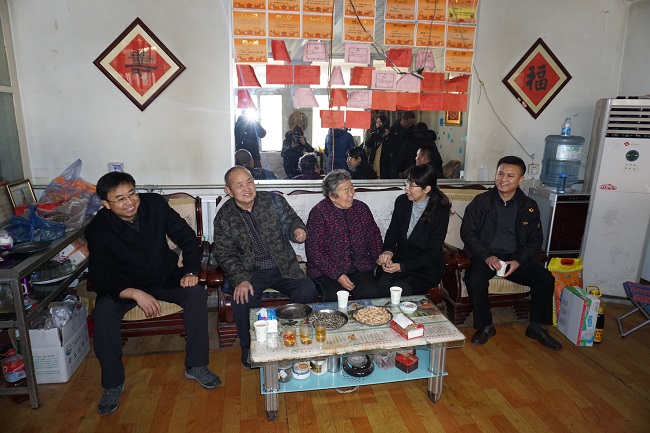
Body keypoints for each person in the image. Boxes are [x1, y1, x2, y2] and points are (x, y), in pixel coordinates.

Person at [86, 172, 219, 415]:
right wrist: (134, 293)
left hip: (164, 276)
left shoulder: (155, 205)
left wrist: (191, 270)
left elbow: (187, 237)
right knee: (103, 313)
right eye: (120, 199)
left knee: (196, 294)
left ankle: (196, 365)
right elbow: (101, 276)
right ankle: (112, 383)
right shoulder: (98, 229)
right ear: (106, 203)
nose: (130, 202)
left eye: (132, 194)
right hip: (124, 284)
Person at [213, 167, 318, 368]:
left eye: (249, 182)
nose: (247, 188)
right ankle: (250, 349)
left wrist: (297, 230)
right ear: (228, 191)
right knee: (242, 298)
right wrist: (240, 279)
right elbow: (225, 253)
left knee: (307, 289)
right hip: (250, 272)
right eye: (239, 185)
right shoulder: (224, 217)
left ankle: (294, 337)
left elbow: (291, 220)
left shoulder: (272, 200)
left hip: (282, 266)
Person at [460, 156, 562, 350]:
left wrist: (518, 260)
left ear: (520, 180)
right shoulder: (481, 202)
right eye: (500, 174)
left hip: (515, 257)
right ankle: (485, 326)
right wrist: (487, 256)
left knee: (545, 278)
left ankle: (536, 327)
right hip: (486, 255)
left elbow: (535, 240)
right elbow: (468, 233)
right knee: (474, 279)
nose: (503, 179)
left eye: (510, 175)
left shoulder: (529, 206)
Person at [306, 170, 383, 301]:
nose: (352, 193)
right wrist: (337, 275)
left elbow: (373, 235)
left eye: (352, 187)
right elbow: (315, 251)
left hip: (359, 267)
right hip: (327, 272)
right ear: (332, 196)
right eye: (346, 190)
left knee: (371, 294)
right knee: (335, 298)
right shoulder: (319, 213)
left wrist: (378, 256)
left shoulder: (361, 208)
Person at [376, 164, 451, 296]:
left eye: (412, 185)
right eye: (407, 183)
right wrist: (388, 252)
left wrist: (402, 267)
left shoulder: (440, 211)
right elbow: (392, 232)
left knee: (400, 288)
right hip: (401, 258)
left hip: (424, 267)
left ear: (426, 189)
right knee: (383, 284)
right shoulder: (402, 202)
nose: (407, 188)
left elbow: (432, 252)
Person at [380, 111, 416, 179]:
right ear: (403, 119)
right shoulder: (394, 129)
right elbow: (390, 145)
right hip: (396, 160)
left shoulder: (413, 129)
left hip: (409, 160)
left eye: (412, 123)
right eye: (408, 123)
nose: (410, 125)